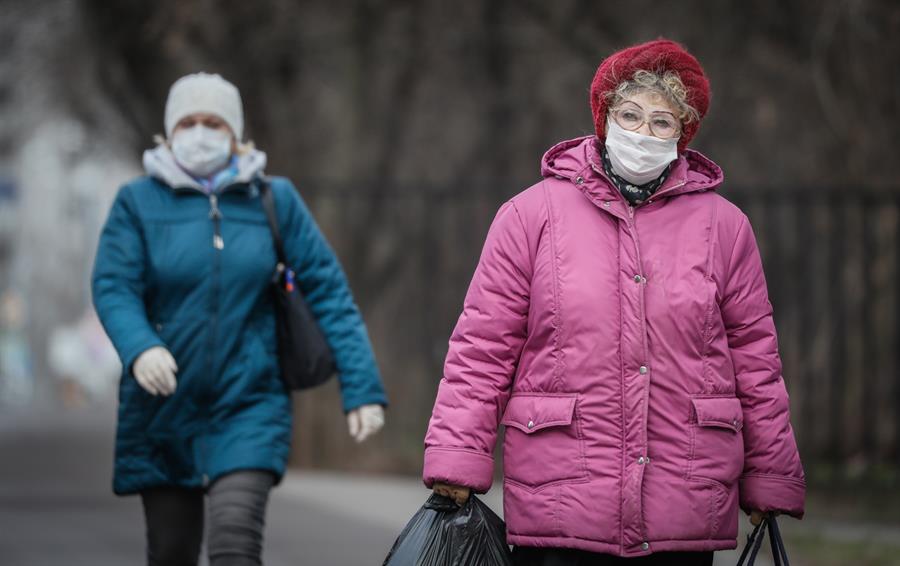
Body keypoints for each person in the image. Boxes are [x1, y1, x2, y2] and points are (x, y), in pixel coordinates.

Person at [423, 39, 805, 565]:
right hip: (560, 501)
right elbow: (482, 346)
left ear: (683, 135)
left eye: (661, 122)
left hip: (683, 504)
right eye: (630, 115)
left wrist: (771, 475)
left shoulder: (726, 229)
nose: (642, 133)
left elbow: (756, 361)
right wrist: (457, 457)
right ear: (604, 117)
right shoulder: (530, 216)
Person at [92, 72, 388, 566]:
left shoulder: (274, 200)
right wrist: (140, 345)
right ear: (169, 131)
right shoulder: (137, 203)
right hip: (163, 409)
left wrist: (362, 388)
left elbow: (329, 292)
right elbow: (113, 286)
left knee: (235, 544)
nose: (201, 133)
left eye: (214, 123)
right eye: (189, 122)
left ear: (235, 133)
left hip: (250, 403)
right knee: (172, 552)